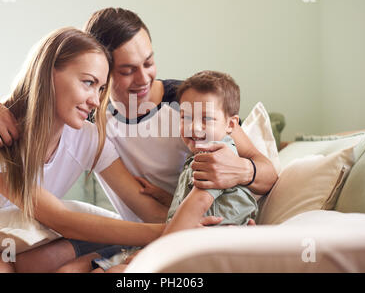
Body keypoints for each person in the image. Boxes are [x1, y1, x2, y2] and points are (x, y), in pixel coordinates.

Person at [0, 8, 278, 272]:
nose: (144, 78)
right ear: (101, 71)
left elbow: (267, 174)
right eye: (128, 70)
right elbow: (38, 102)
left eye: (148, 62)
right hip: (147, 228)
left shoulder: (190, 105)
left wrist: (241, 171)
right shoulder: (89, 117)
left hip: (198, 222)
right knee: (39, 265)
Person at [0, 27, 189, 273]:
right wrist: (168, 232)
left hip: (5, 240)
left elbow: (142, 203)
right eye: (88, 83)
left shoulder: (87, 138)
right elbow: (61, 220)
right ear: (48, 73)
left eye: (101, 88)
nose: (95, 100)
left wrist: (193, 225)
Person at [88, 70, 259, 273]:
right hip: (190, 240)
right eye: (186, 117)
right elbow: (190, 201)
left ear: (231, 124)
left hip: (207, 246)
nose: (194, 127)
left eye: (206, 119)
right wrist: (163, 196)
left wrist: (154, 251)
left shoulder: (215, 156)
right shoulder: (196, 154)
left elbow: (197, 204)